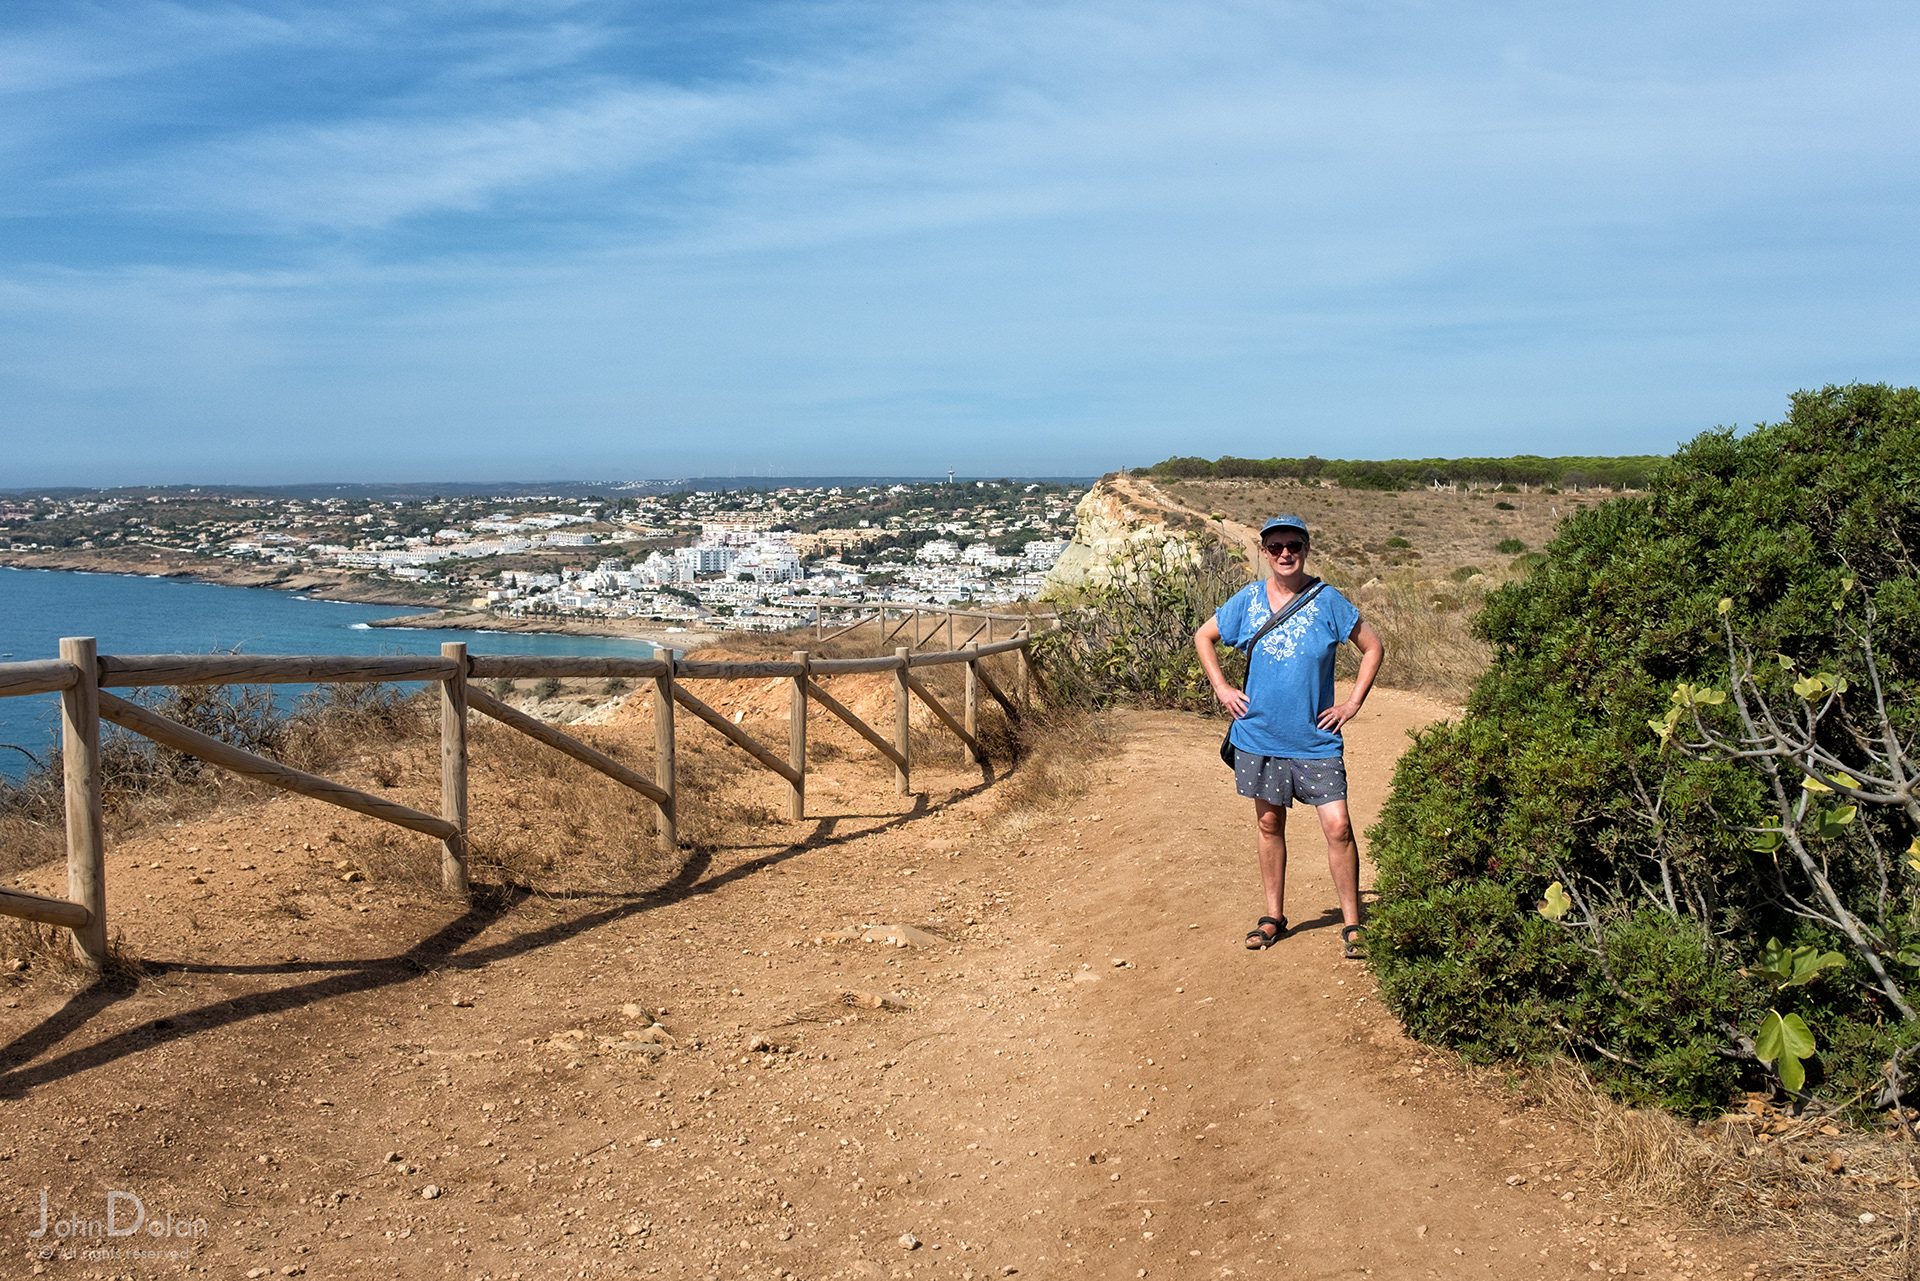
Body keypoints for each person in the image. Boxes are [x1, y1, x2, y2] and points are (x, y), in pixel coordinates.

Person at [1192, 515, 1384, 956]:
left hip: (1315, 739)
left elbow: (1372, 646)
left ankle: (1353, 922)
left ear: (1305, 548)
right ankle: (1273, 915)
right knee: (1268, 822)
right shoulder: (1248, 600)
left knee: (1338, 827)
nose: (1284, 553)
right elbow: (1205, 636)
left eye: (1292, 545)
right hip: (1259, 734)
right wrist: (1222, 688)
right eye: (1275, 546)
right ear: (1264, 551)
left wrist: (1351, 703)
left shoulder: (1328, 601)